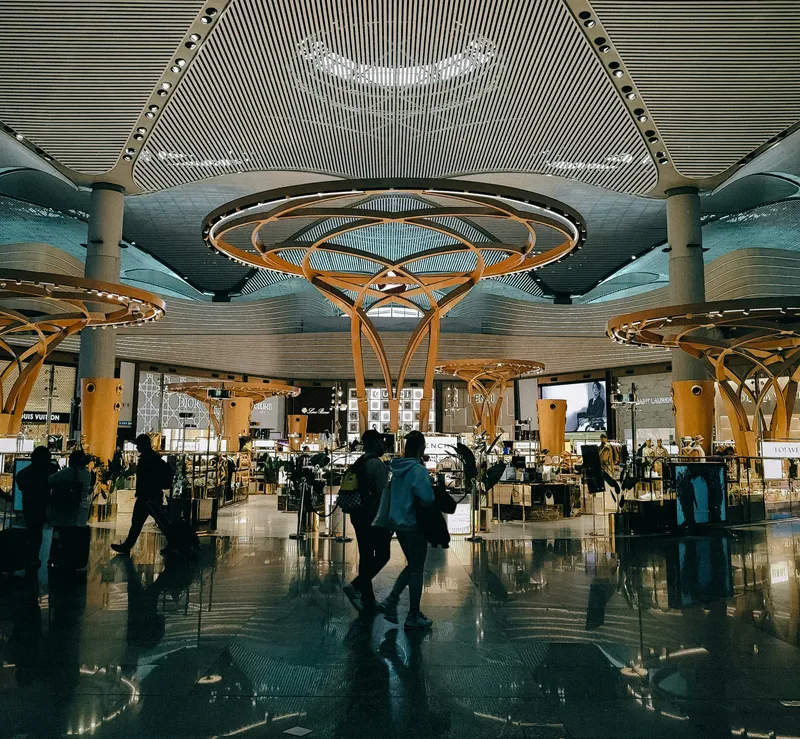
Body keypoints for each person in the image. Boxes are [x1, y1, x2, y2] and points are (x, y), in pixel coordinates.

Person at [377, 430, 435, 630]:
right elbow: (427, 498)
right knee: (417, 569)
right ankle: (413, 614)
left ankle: (392, 599)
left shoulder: (397, 469)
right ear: (422, 447)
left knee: (412, 565)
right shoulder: (419, 471)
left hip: (398, 524)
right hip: (415, 524)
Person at [342, 429, 391, 612]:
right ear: (376, 443)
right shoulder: (377, 465)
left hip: (359, 515)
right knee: (383, 554)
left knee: (366, 555)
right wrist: (387, 521)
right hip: (374, 518)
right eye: (381, 442)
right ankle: (356, 585)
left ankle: (368, 598)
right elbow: (383, 495)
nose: (384, 445)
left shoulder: (359, 462)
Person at [111, 434, 172, 556]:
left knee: (159, 523)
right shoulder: (152, 458)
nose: (137, 447)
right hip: (149, 495)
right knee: (144, 522)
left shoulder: (149, 459)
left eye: (138, 445)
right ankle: (127, 546)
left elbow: (148, 478)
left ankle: (175, 543)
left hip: (149, 496)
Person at [47, 450, 93, 567]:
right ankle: (73, 559)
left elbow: (50, 479)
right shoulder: (87, 473)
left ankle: (59, 558)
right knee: (75, 535)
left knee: (63, 533)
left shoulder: (70, 471)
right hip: (82, 508)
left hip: (67, 507)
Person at [15, 445, 58, 568]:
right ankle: (37, 556)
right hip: (43, 503)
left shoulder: (24, 472)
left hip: (29, 503)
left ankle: (31, 556)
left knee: (32, 529)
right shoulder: (50, 469)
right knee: (38, 530)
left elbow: (21, 483)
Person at [598, 433, 621, 502]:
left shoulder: (608, 448)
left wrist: (612, 469)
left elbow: (611, 459)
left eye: (603, 438)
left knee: (608, 483)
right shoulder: (599, 447)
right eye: (601, 438)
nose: (602, 439)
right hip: (601, 466)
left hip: (606, 466)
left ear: (606, 439)